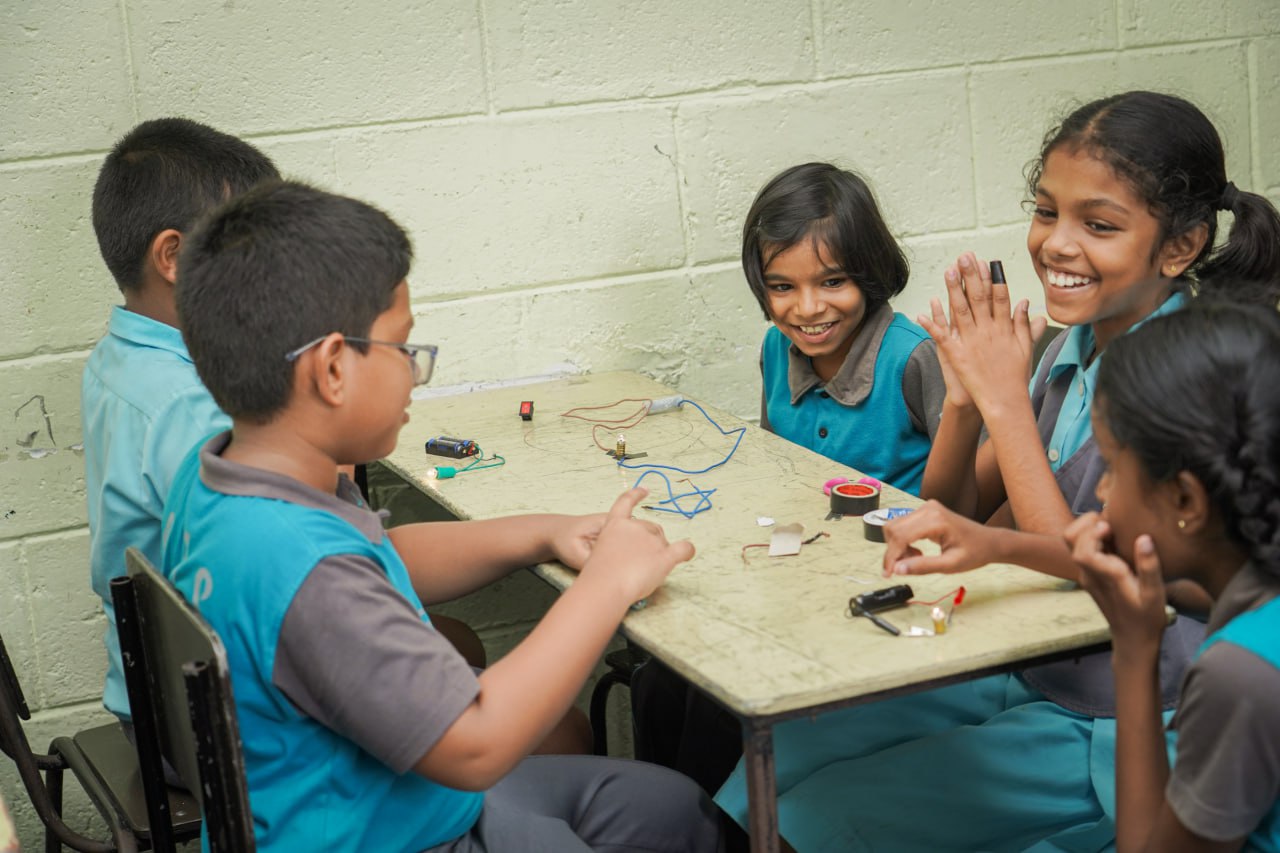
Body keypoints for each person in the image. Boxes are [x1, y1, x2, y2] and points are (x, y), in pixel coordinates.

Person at [715, 91, 1280, 851]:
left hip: (1124, 710)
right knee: (774, 760)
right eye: (1046, 212)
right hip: (1042, 667)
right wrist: (967, 403)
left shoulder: (1183, 377)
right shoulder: (1060, 349)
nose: (1057, 244)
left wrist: (1006, 404)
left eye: (1100, 224)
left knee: (812, 819)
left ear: (1179, 247)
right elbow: (962, 508)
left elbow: (1101, 572)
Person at [162, 179, 722, 852]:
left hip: (389, 800)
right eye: (405, 349)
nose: (415, 373)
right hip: (394, 834)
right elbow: (479, 742)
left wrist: (543, 531)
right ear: (333, 368)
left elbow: (383, 559)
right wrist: (609, 583)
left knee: (670, 807)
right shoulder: (304, 565)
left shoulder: (231, 479)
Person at [83, 117, 279, 726]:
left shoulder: (122, 358)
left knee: (451, 640)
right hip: (212, 725)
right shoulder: (189, 403)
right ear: (172, 256)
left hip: (155, 697)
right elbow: (281, 573)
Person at [1066, 302, 1280, 852]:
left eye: (1112, 467)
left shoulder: (1241, 675)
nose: (1104, 493)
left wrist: (1135, 649)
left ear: (1186, 498)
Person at [745, 162, 944, 496]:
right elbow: (776, 460)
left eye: (833, 281)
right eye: (782, 287)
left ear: (870, 270)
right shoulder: (775, 348)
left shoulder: (912, 358)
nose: (808, 309)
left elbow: (971, 484)